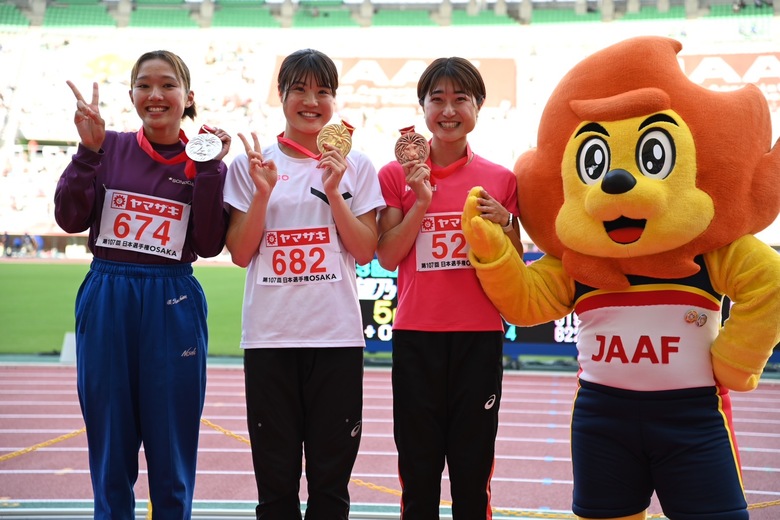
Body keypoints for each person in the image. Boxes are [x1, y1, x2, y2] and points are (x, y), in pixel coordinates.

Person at [54, 50, 231, 520]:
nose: (155, 95)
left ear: (187, 97)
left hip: (172, 298)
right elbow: (69, 218)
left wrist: (210, 169)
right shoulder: (106, 145)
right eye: (144, 85)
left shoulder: (206, 159)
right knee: (111, 447)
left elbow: (211, 243)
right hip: (109, 292)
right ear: (131, 94)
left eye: (168, 85)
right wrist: (87, 154)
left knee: (171, 451)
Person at [223, 48, 385, 520]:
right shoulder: (251, 166)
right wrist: (263, 194)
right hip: (270, 339)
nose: (311, 101)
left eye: (323, 91)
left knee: (330, 487)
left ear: (334, 99)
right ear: (282, 95)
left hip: (335, 340)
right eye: (299, 89)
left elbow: (364, 250)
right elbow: (239, 253)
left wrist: (334, 191)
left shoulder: (358, 167)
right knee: (275, 485)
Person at [375, 57, 521, 519]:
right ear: (422, 108)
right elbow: (386, 255)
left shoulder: (501, 180)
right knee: (418, 474)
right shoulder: (396, 175)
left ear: (479, 106)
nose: (449, 109)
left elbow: (516, 262)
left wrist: (507, 222)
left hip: (479, 337)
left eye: (461, 99)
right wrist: (422, 201)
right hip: (417, 335)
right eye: (437, 99)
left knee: (471, 475)